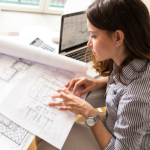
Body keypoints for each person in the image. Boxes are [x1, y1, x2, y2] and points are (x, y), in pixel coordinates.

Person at [36, 0, 150, 149]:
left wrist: (89, 113)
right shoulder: (131, 60)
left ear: (117, 38)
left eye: (94, 36)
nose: (89, 43)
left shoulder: (136, 98)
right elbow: (124, 84)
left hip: (119, 144)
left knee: (47, 146)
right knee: (44, 131)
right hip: (113, 125)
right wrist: (99, 83)